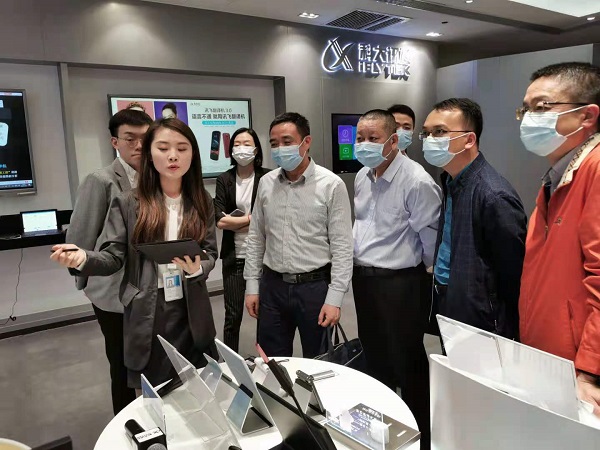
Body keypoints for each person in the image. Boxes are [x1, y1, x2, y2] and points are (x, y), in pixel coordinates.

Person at [51, 118, 218, 390]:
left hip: (191, 306)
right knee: (156, 389)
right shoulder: (129, 202)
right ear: (150, 153)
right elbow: (113, 256)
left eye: (182, 148)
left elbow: (210, 251)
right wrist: (84, 258)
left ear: (193, 154)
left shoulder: (202, 200)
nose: (173, 156)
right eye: (163, 148)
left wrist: (198, 268)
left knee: (198, 384)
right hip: (149, 306)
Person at [353, 109, 441, 450]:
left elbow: (430, 237)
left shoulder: (416, 181)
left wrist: (421, 274)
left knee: (407, 361)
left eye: (373, 138)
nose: (364, 144)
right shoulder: (363, 176)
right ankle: (382, 432)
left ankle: (421, 437)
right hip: (365, 281)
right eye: (360, 138)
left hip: (401, 284)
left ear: (393, 141)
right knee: (375, 357)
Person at [518, 62, 600, 415]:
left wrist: (590, 371)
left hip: (579, 371)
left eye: (541, 107)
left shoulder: (595, 169)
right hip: (550, 355)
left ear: (587, 116)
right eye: (525, 109)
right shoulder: (560, 174)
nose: (527, 119)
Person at [244, 112, 353, 358]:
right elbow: (256, 237)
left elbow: (343, 247)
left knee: (319, 361)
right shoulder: (266, 183)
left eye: (287, 141)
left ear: (306, 142)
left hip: (314, 288)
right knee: (272, 360)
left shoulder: (331, 185)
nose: (280, 149)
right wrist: (252, 285)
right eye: (274, 144)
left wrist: (335, 298)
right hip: (272, 286)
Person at [65, 108, 152, 414]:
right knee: (122, 365)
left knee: (151, 360)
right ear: (115, 142)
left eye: (145, 138)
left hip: (150, 290)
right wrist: (82, 276)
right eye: (130, 139)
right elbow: (81, 233)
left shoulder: (156, 178)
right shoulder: (101, 180)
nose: (139, 145)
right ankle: (126, 425)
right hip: (113, 292)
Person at [422, 98, 527, 339]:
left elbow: (513, 274)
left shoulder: (493, 195)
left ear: (469, 139)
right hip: (451, 301)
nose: (429, 140)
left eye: (439, 132)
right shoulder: (452, 181)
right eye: (426, 133)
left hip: (482, 320)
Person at [214, 128, 269, 352]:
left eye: (246, 143)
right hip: (234, 256)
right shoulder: (224, 179)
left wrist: (236, 221)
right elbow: (219, 221)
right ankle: (230, 362)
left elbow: (269, 219)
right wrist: (252, 219)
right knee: (232, 316)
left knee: (265, 315)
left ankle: (267, 360)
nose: (241, 148)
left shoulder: (267, 177)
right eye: (236, 144)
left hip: (264, 257)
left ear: (256, 149)